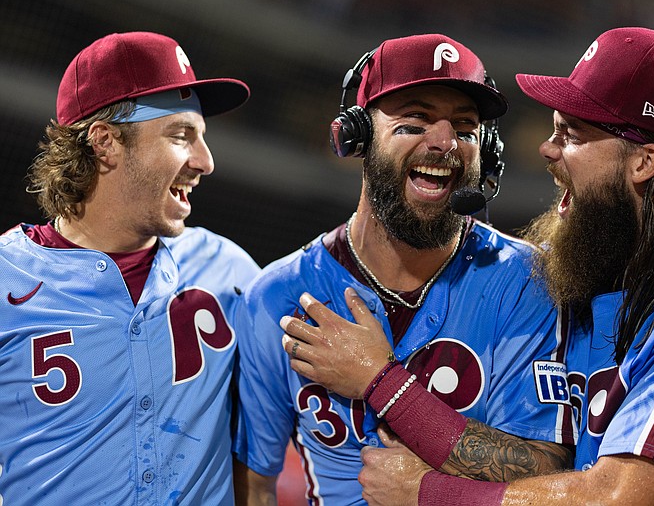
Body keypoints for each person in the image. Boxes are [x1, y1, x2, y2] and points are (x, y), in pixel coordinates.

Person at [351, 27, 654, 505]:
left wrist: (429, 493)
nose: (548, 149)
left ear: (644, 162)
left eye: (571, 134)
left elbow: (618, 497)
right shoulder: (591, 261)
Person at [233, 33, 574, 505]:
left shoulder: (527, 283)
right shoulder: (278, 295)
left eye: (466, 126)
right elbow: (254, 485)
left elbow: (548, 471)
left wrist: (381, 381)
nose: (444, 141)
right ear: (357, 136)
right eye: (415, 121)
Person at [0, 31, 260, 505]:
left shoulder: (230, 271)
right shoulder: (5, 281)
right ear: (105, 143)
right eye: (182, 135)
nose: (206, 161)